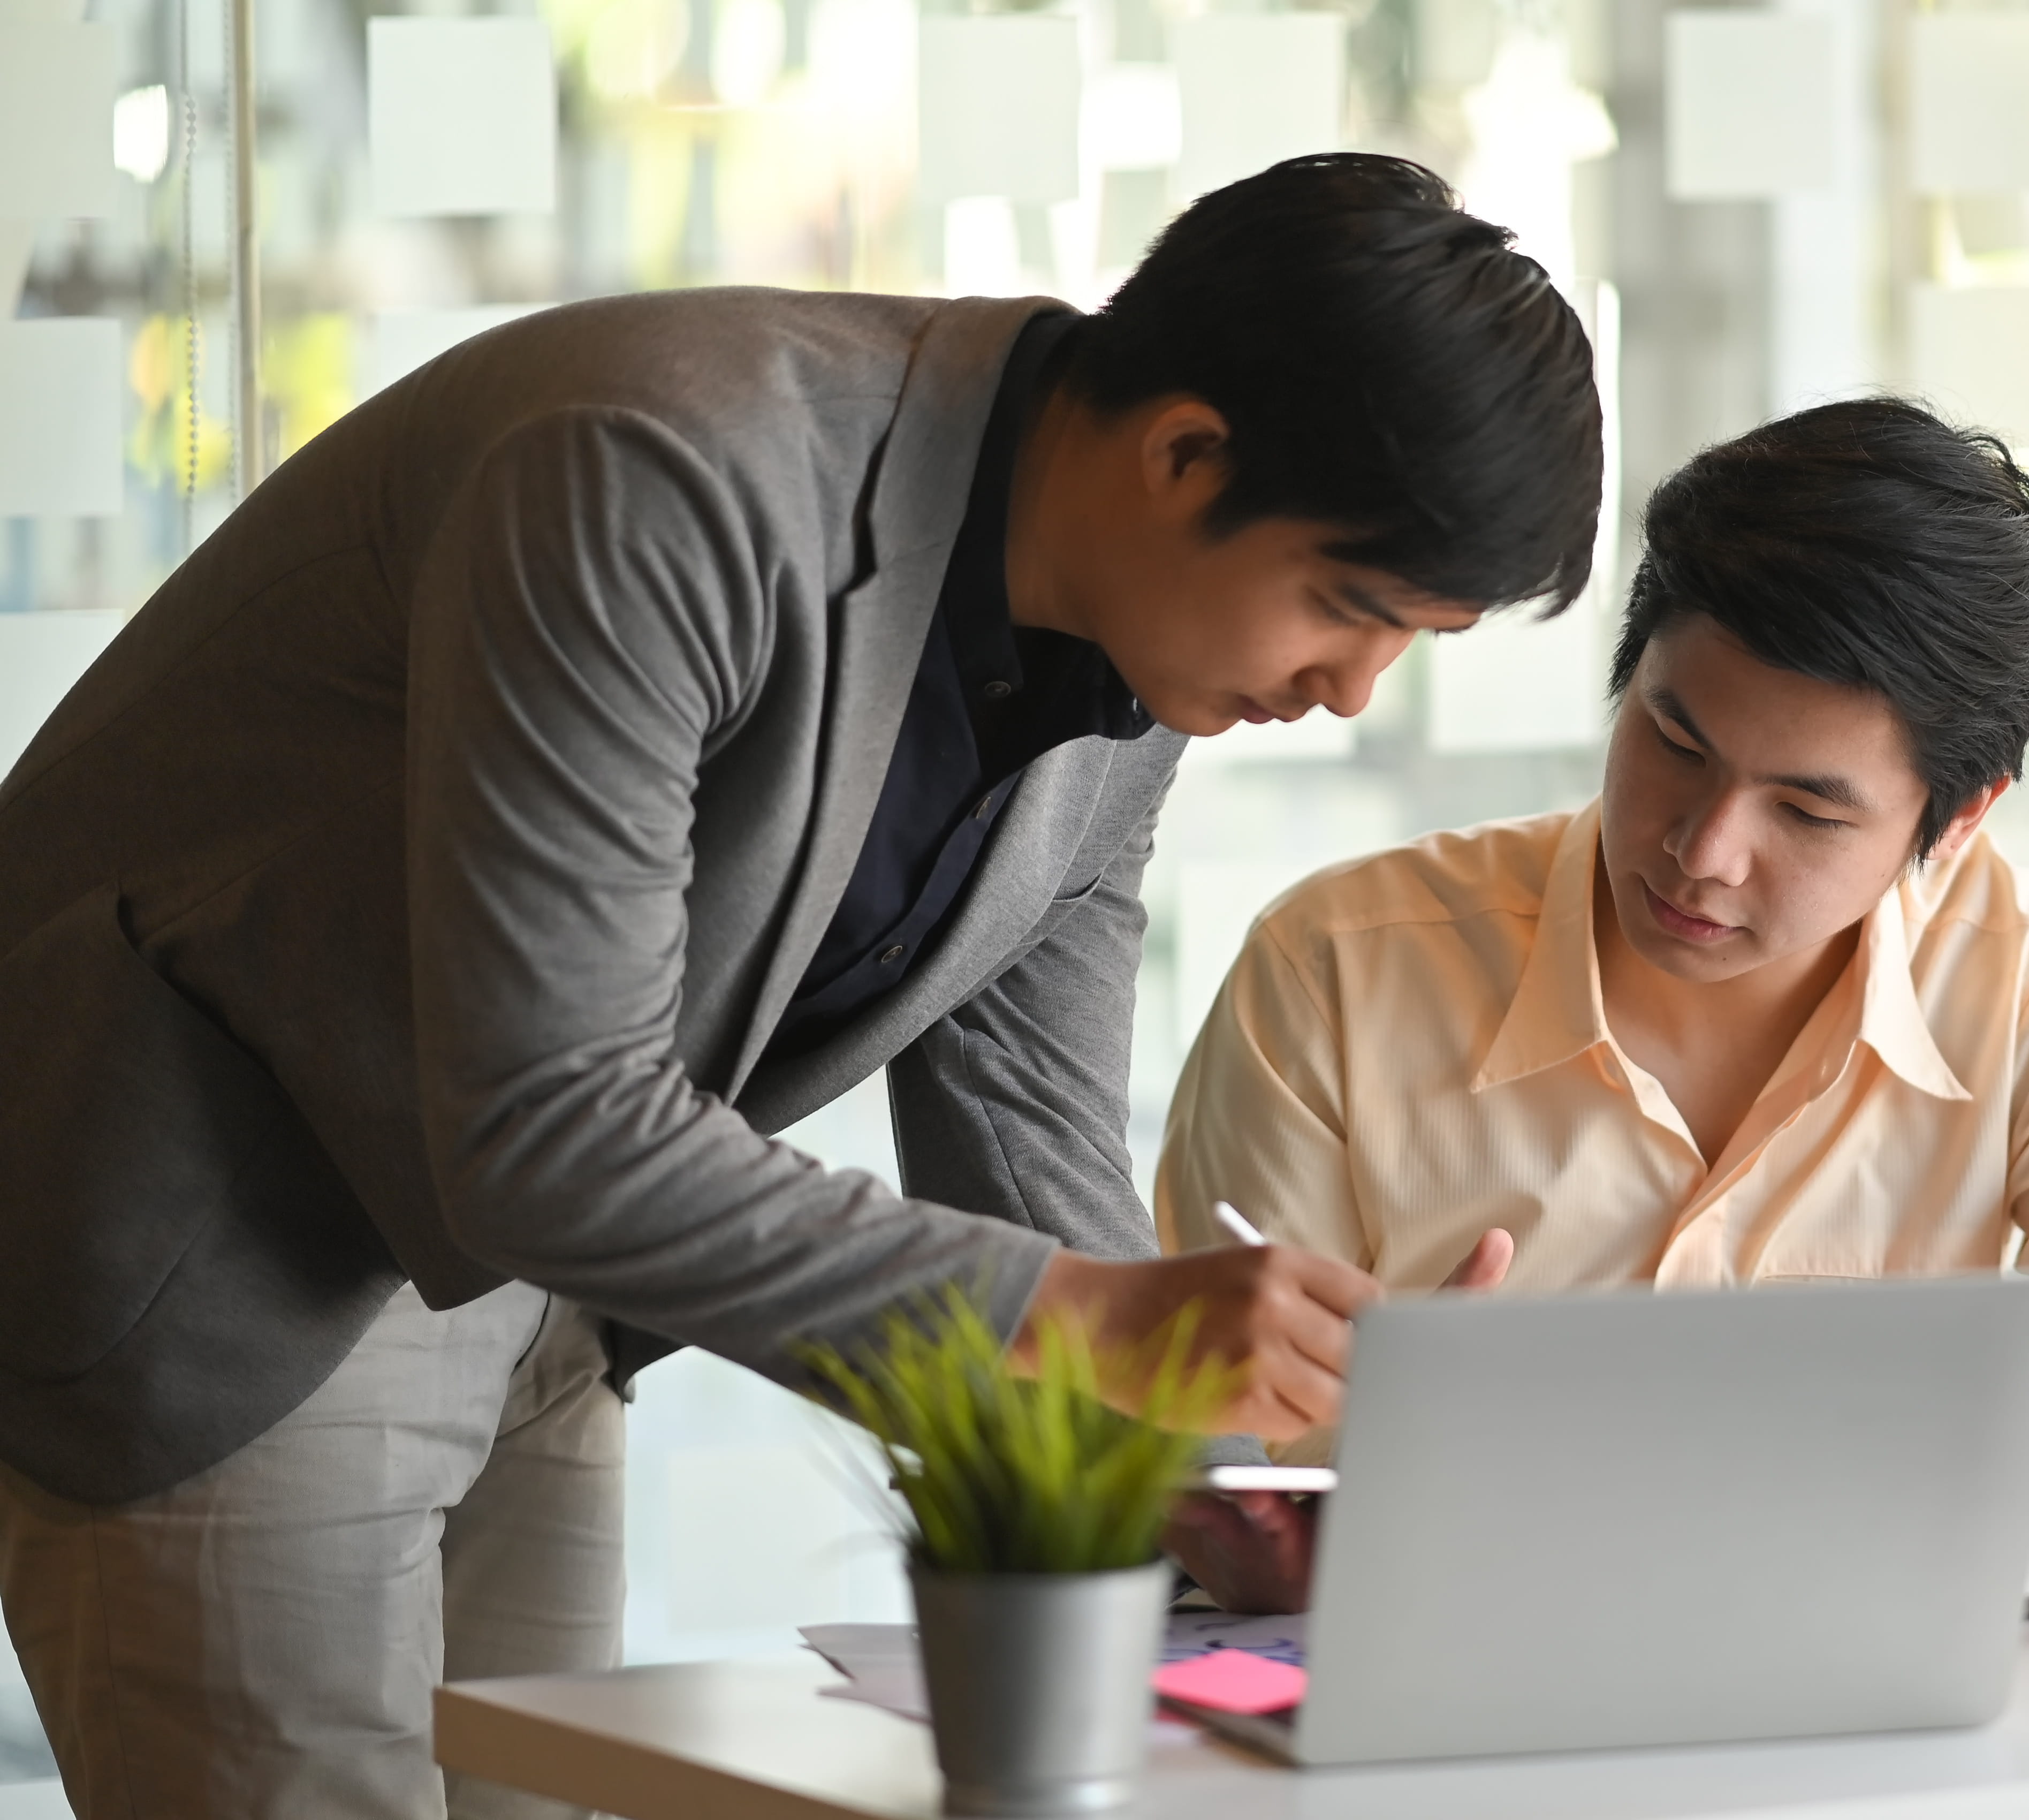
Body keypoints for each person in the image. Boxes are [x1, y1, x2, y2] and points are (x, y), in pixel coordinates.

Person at [0, 155, 1589, 1819]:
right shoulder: (661, 471)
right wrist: (1090, 1324)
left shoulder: (1139, 670)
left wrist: (1238, 1503)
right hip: (235, 1239)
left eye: (1411, 643)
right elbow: (548, 1132)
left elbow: (1029, 1143)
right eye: (1347, 608)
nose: (1350, 692)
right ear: (1184, 452)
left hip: (550, 1286)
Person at [1154, 398, 2029, 1634]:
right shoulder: (1338, 969)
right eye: (1674, 742)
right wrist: (1310, 1484)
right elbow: (1187, 1446)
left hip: (1862, 1693)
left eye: (1807, 811)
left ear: (1961, 818)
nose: (1705, 851)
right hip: (1413, 1674)